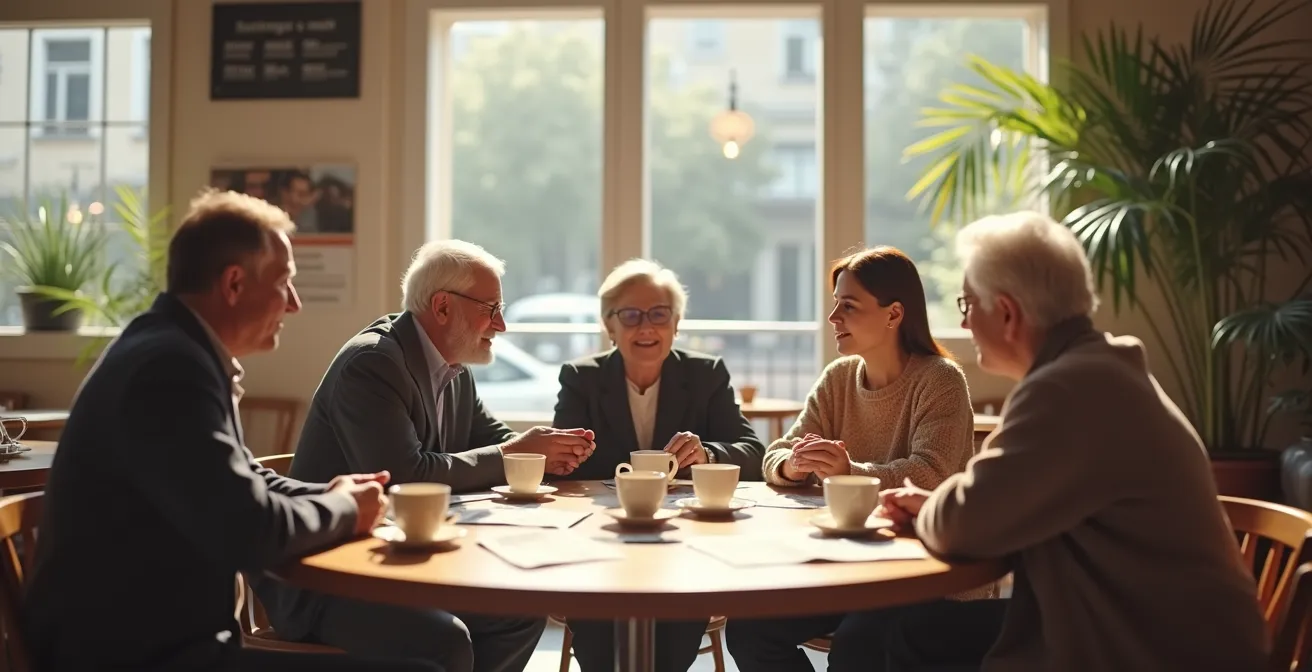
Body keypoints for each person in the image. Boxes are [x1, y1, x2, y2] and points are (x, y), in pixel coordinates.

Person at [21, 190, 437, 672]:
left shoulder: (172, 348)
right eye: (285, 283)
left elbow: (244, 480)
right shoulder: (169, 368)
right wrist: (344, 509)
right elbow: (250, 529)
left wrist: (331, 491)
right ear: (234, 284)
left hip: (158, 642)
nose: (295, 305)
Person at [879, 211, 1268, 670]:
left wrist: (939, 508)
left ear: (1007, 313)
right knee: (914, 630)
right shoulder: (1098, 369)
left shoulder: (1066, 390)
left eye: (967, 305)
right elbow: (994, 506)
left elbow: (963, 526)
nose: (964, 325)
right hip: (1163, 629)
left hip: (1160, 650)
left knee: (903, 636)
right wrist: (942, 505)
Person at [252, 239, 596, 672]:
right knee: (445, 641)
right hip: (327, 582)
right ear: (443, 307)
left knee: (518, 614)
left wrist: (546, 453)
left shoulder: (455, 369)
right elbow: (404, 474)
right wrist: (519, 451)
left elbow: (494, 440)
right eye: (491, 308)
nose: (502, 324)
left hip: (401, 565)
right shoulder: (372, 364)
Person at [726, 246, 989, 672]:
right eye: (834, 306)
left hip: (921, 574)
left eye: (848, 306)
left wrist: (849, 473)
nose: (833, 319)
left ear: (894, 314)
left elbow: (931, 475)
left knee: (857, 645)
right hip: (847, 566)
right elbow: (775, 454)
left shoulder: (940, 380)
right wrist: (795, 465)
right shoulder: (839, 377)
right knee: (749, 628)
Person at [552, 258, 765, 672]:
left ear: (676, 324)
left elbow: (753, 453)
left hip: (685, 546)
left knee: (672, 642)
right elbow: (562, 466)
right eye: (629, 315)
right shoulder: (581, 378)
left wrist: (709, 455)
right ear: (609, 326)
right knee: (599, 642)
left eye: (658, 315)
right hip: (601, 544)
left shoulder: (707, 374)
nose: (645, 327)